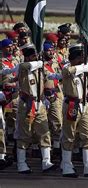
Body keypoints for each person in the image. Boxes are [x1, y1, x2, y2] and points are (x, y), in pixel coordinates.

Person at [15, 44, 57, 173]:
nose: (37, 58)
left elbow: (51, 77)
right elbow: (24, 66)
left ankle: (46, 161)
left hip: (40, 103)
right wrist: (38, 63)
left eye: (37, 56)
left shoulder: (40, 68)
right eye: (33, 56)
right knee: (24, 134)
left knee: (44, 131)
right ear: (27, 57)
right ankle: (21, 163)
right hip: (26, 104)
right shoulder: (23, 68)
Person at [60, 44, 88, 178]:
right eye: (79, 57)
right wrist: (81, 67)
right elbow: (65, 72)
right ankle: (66, 165)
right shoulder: (68, 68)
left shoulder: (85, 70)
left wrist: (87, 68)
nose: (82, 59)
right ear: (73, 58)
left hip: (85, 105)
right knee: (69, 136)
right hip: (72, 104)